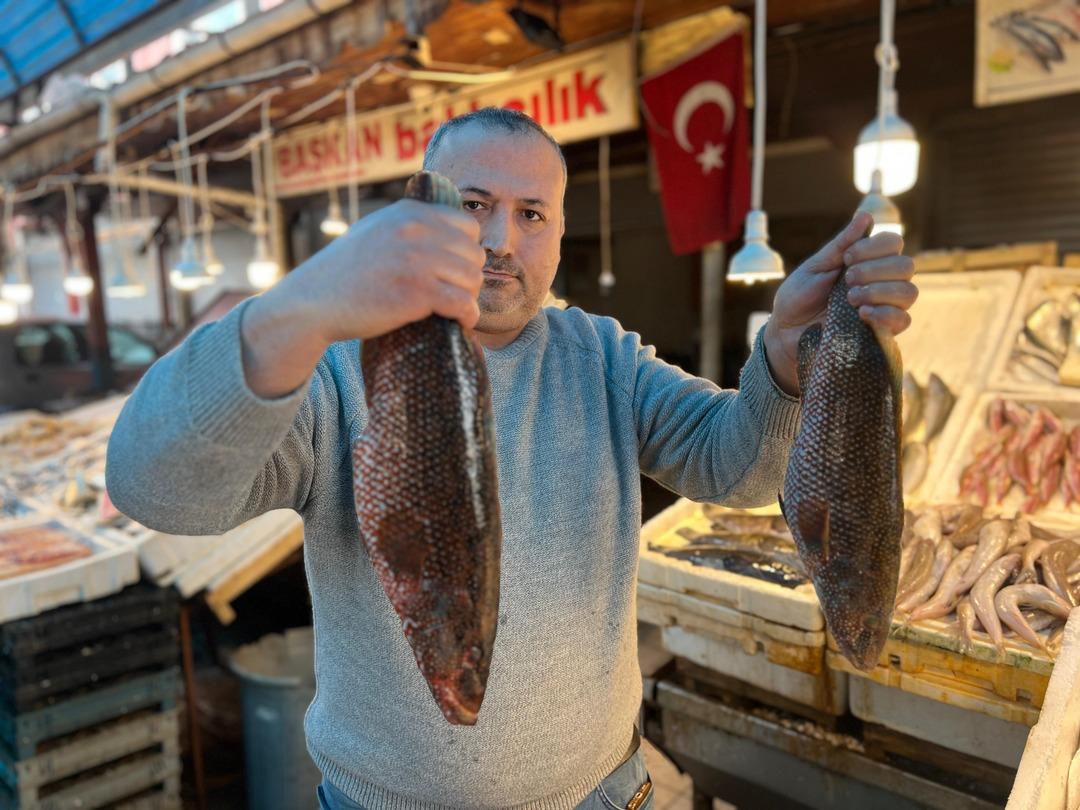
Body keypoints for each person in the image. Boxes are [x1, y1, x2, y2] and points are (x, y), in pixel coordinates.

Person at [106, 107, 917, 809]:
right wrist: (298, 307)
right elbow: (157, 490)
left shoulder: (601, 356)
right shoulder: (340, 370)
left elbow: (736, 471)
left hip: (602, 793)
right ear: (418, 219)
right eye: (473, 206)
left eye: (532, 213)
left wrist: (786, 357)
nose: (500, 240)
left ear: (560, 234)